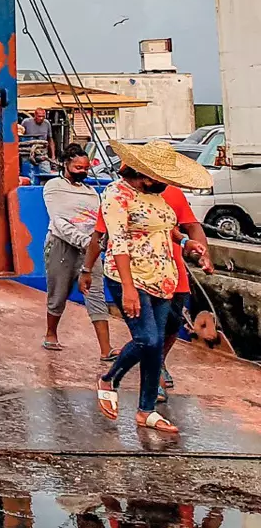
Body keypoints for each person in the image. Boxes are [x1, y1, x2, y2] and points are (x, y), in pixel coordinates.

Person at [87, 140, 212, 434]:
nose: (166, 184)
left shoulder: (156, 198)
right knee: (148, 340)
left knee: (155, 345)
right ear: (145, 175)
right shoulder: (116, 196)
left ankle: (146, 410)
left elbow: (168, 229)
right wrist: (128, 289)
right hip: (128, 276)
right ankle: (110, 379)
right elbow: (116, 241)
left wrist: (185, 242)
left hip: (163, 277)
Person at [41, 144, 112, 357]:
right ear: (66, 164)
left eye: (85, 168)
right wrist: (83, 241)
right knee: (58, 292)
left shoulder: (91, 193)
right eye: (78, 167)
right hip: (62, 246)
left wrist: (97, 244)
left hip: (90, 248)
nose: (83, 171)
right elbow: (59, 221)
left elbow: (97, 223)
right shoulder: (54, 187)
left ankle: (105, 349)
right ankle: (51, 333)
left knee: (96, 294)